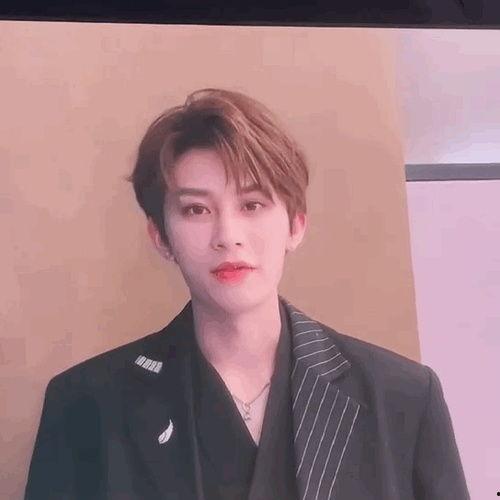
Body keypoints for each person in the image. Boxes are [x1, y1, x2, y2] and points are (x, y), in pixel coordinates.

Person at [25, 88, 470, 499]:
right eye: (196, 210)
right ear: (161, 236)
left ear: (295, 225)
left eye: (252, 204)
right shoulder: (85, 405)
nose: (228, 235)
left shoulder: (403, 397)